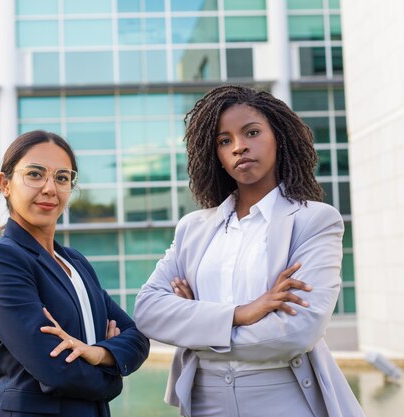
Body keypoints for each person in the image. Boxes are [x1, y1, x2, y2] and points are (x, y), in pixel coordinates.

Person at [133, 85, 365, 417]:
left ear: (278, 138)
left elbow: (297, 332)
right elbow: (148, 311)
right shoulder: (193, 228)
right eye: (224, 141)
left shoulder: (314, 221)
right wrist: (242, 313)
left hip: (283, 397)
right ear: (215, 156)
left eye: (252, 133)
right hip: (203, 399)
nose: (239, 146)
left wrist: (196, 325)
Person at [0, 130, 149, 417]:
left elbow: (137, 337)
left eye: (62, 177)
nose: (49, 188)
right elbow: (55, 370)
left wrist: (98, 353)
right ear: (5, 184)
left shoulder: (76, 262)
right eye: (34, 174)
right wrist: (113, 376)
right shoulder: (2, 260)